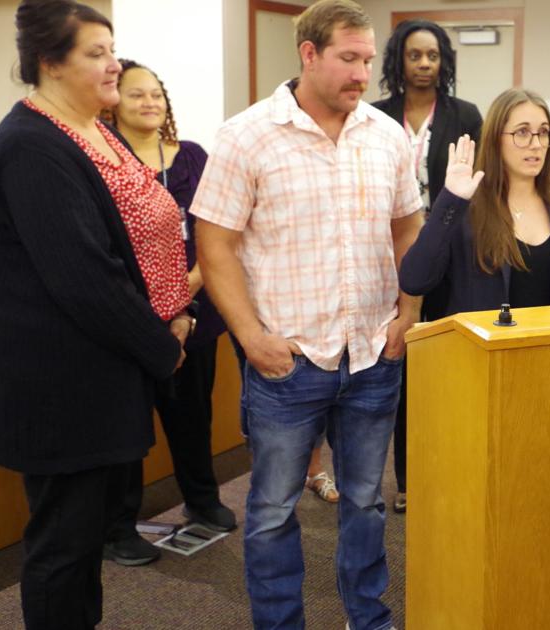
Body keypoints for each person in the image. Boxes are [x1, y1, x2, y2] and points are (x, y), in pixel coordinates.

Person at [191, 1, 421, 628]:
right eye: (349, 59)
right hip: (288, 361)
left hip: (373, 352)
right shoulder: (247, 136)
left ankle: (366, 618)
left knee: (367, 502)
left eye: (370, 60)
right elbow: (214, 244)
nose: (362, 74)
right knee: (271, 510)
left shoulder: (386, 134)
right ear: (310, 54)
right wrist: (250, 336)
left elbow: (408, 228)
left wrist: (409, 312)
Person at [0, 1, 190, 627]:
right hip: (57, 385)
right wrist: (161, 348)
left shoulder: (92, 128)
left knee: (83, 540)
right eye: (95, 53)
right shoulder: (31, 146)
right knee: (63, 548)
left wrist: (177, 313)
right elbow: (85, 279)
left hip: (101, 372)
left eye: (111, 49)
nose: (112, 64)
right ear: (50, 62)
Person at [100, 59, 236, 567]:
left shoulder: (193, 157)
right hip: (131, 318)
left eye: (156, 93)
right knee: (129, 425)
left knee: (192, 415)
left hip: (195, 307)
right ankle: (118, 526)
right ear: (114, 102)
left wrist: (183, 292)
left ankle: (202, 499)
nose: (149, 102)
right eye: (136, 95)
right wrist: (149, 304)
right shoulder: (104, 162)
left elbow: (215, 231)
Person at [372, 18, 482, 514]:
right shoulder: (374, 117)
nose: (423, 65)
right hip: (385, 254)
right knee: (400, 371)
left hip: (445, 256)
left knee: (444, 367)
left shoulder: (464, 115)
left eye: (432, 56)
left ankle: (456, 469)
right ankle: (408, 478)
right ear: (399, 60)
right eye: (414, 55)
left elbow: (478, 188)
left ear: (444, 62)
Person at [400, 88, 550, 315]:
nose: (536, 144)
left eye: (543, 132)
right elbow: (415, 280)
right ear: (495, 138)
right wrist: (450, 199)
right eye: (522, 132)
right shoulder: (465, 207)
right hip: (481, 354)